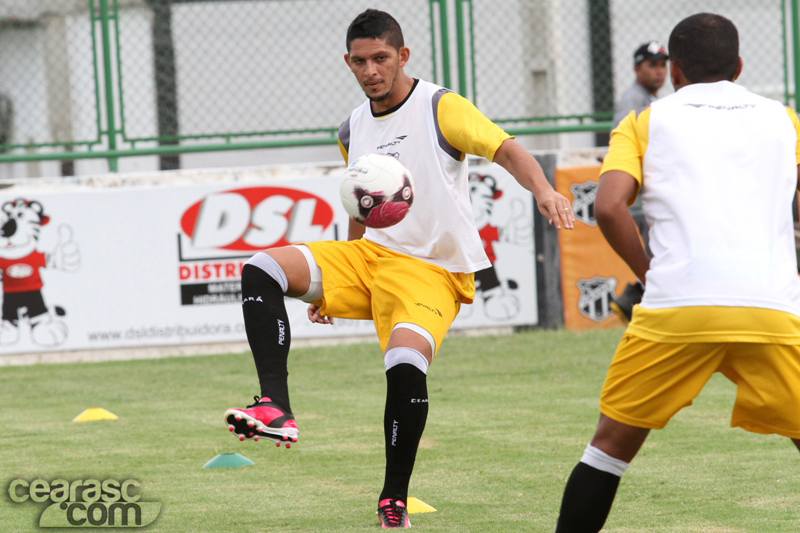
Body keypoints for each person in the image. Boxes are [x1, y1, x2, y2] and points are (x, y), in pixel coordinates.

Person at [223, 8, 574, 529]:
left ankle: (394, 499)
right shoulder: (352, 127)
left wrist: (544, 190)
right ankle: (275, 406)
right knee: (261, 268)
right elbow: (363, 207)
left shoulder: (441, 107)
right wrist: (330, 280)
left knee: (405, 366)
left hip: (433, 272)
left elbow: (505, 148)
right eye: (360, 61)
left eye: (381, 58)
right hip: (370, 258)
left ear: (403, 56)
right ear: (348, 62)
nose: (371, 70)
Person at [554, 12, 800, 532]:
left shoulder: (646, 122)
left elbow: (608, 207)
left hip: (677, 309)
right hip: (771, 310)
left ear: (674, 72)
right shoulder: (785, 118)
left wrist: (649, 275)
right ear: (738, 65)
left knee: (608, 452)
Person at [609, 41, 668, 322]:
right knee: (660, 264)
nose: (659, 72)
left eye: (663, 65)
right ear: (636, 69)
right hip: (643, 200)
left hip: (648, 198)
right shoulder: (634, 99)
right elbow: (621, 143)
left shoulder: (650, 98)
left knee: (660, 262)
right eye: (652, 65)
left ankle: (629, 301)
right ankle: (634, 304)